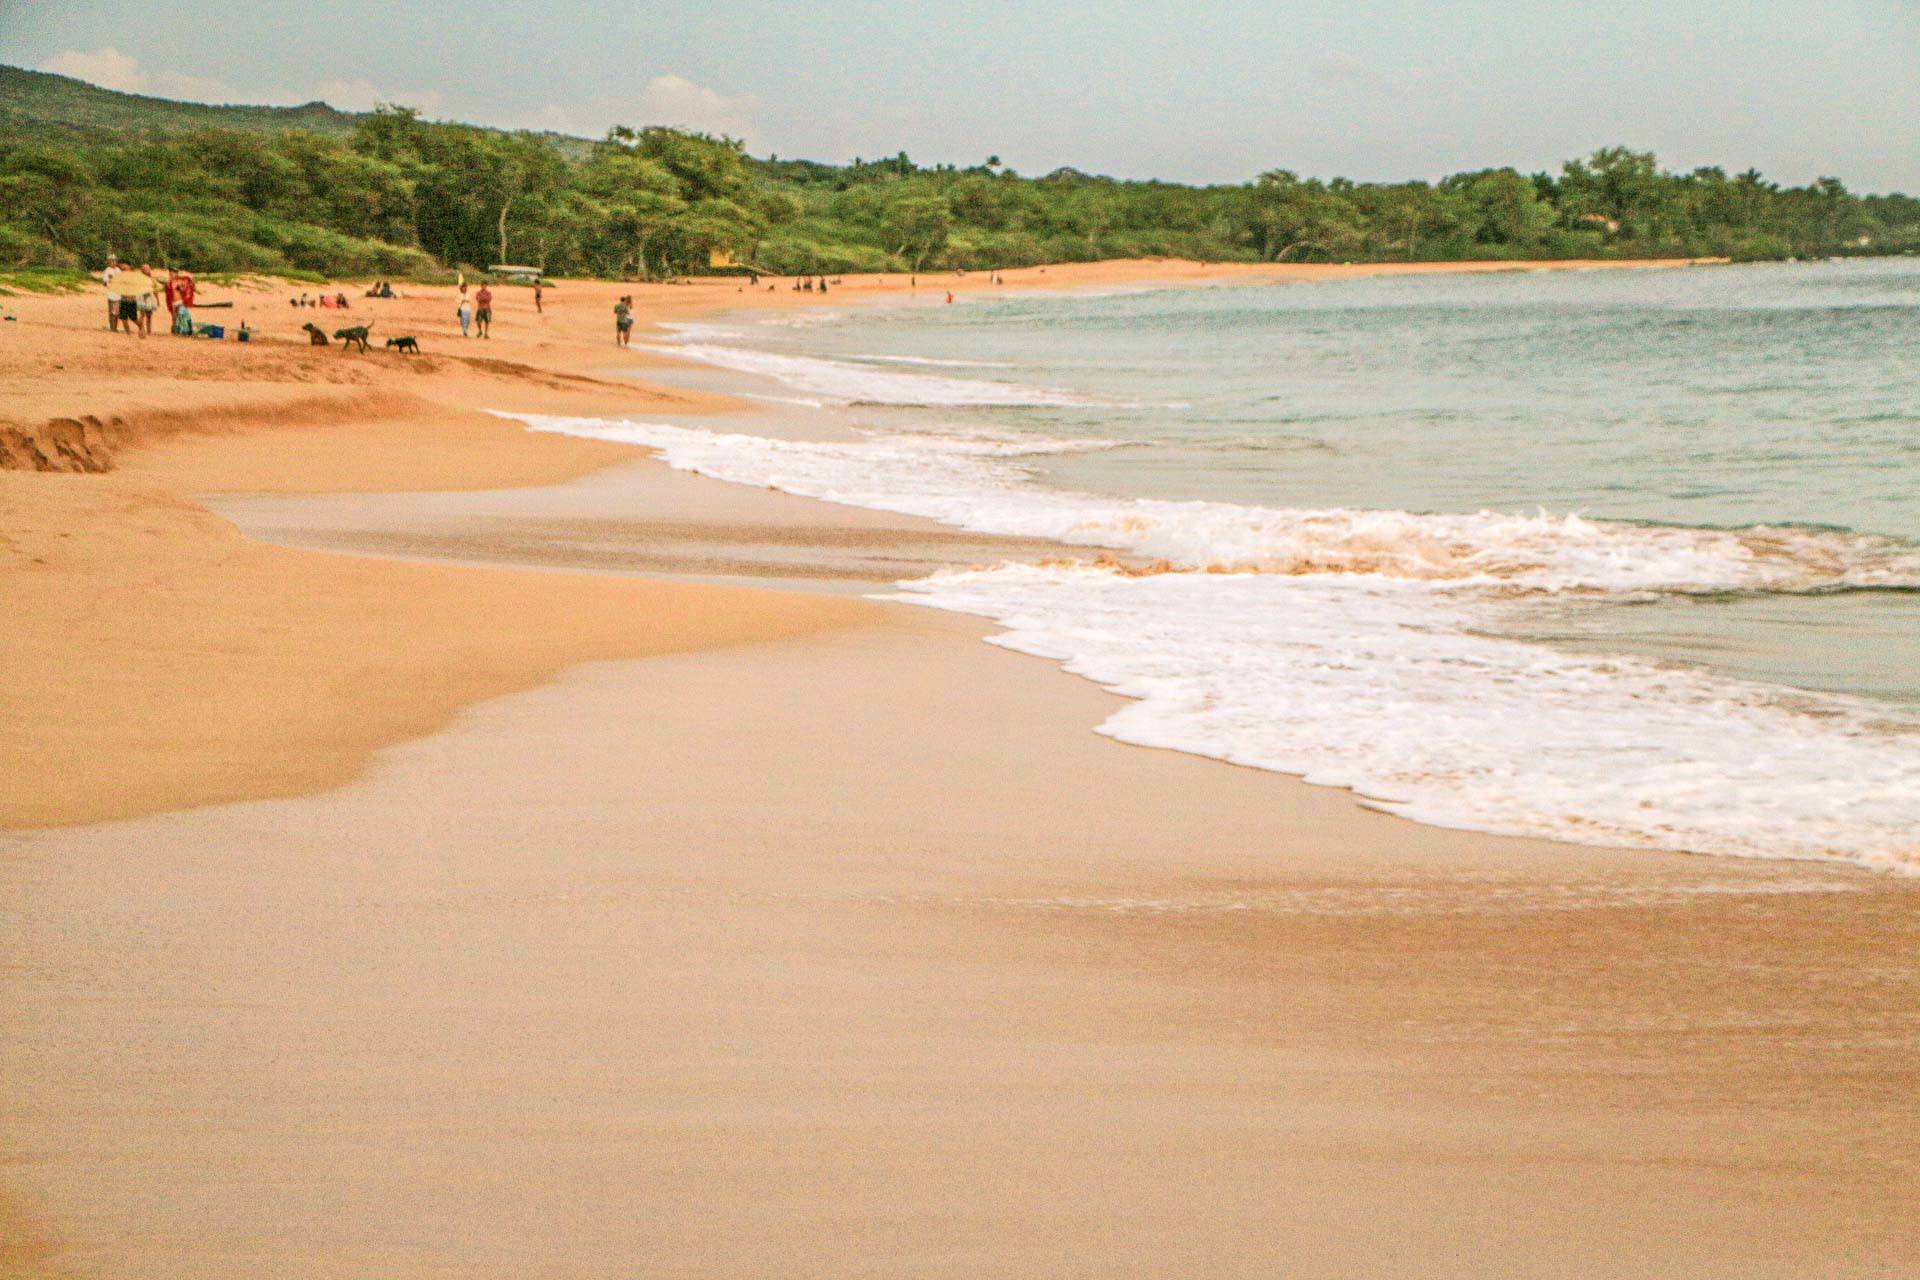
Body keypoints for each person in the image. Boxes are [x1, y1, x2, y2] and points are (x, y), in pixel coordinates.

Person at [102, 255, 123, 332]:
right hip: (111, 293)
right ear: (108, 262)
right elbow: (104, 282)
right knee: (111, 311)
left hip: (119, 293)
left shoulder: (118, 270)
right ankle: (112, 327)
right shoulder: (107, 270)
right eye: (111, 261)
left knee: (117, 312)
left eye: (114, 261)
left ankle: (115, 327)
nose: (113, 262)